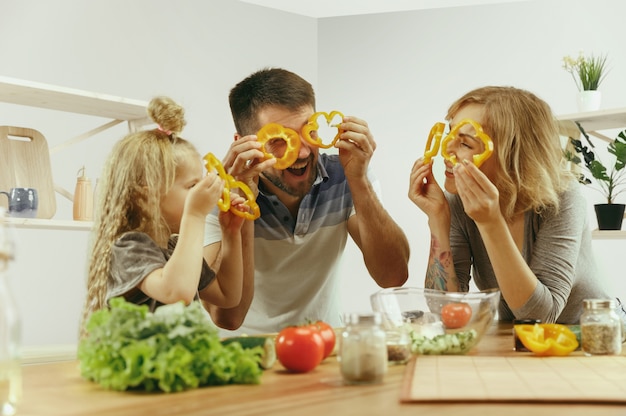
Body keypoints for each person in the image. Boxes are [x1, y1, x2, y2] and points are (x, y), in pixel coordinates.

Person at [203, 67, 410, 335]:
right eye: (278, 140)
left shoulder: (347, 174)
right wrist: (242, 205)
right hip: (247, 350)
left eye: (308, 131)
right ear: (243, 144)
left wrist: (359, 181)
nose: (301, 152)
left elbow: (392, 277)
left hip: (325, 345)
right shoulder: (216, 192)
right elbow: (227, 317)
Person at [408, 85, 622, 324]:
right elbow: (445, 309)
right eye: (449, 135)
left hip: (594, 337)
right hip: (525, 341)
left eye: (466, 144)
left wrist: (490, 223)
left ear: (513, 155)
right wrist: (437, 218)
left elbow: (541, 315)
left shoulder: (562, 198)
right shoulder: (459, 202)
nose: (447, 150)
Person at [80, 96, 246, 335]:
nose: (202, 193)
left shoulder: (174, 247)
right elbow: (176, 293)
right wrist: (196, 215)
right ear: (146, 195)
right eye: (192, 186)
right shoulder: (129, 247)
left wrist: (231, 233)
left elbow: (227, 296)